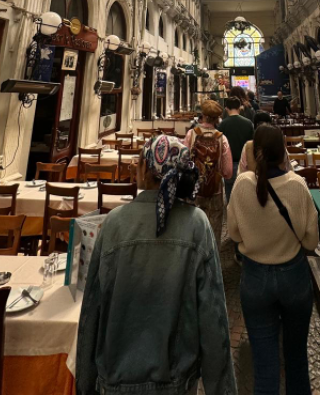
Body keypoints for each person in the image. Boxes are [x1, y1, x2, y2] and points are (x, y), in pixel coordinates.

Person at [76, 135, 237, 396]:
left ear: (145, 169)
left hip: (115, 380)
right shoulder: (196, 225)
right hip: (175, 381)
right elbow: (213, 316)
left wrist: (85, 384)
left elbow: (92, 308)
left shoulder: (114, 224)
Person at [228, 124, 319, 395]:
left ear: (255, 152)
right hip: (294, 277)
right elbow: (311, 242)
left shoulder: (242, 184)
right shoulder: (297, 185)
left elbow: (234, 233)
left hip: (255, 279)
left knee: (264, 365)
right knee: (297, 359)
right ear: (284, 153)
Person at [184, 100, 233, 249]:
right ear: (217, 118)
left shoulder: (191, 134)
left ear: (203, 116)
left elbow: (183, 163)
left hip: (193, 191)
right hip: (215, 191)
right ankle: (212, 258)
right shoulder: (222, 138)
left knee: (192, 230)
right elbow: (228, 172)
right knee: (213, 232)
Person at [219, 97, 254, 203]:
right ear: (240, 107)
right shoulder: (248, 123)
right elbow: (252, 144)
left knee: (230, 196)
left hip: (228, 165)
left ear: (226, 108)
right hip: (245, 164)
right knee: (245, 197)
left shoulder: (223, 124)